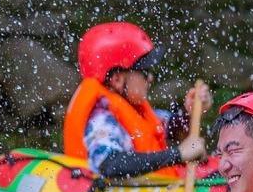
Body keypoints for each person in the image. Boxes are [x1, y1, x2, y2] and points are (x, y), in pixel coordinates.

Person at [62, 21, 211, 178]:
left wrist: (189, 113)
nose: (151, 78)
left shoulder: (130, 106)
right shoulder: (100, 117)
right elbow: (109, 164)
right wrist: (177, 154)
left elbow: (165, 128)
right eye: (145, 72)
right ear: (117, 79)